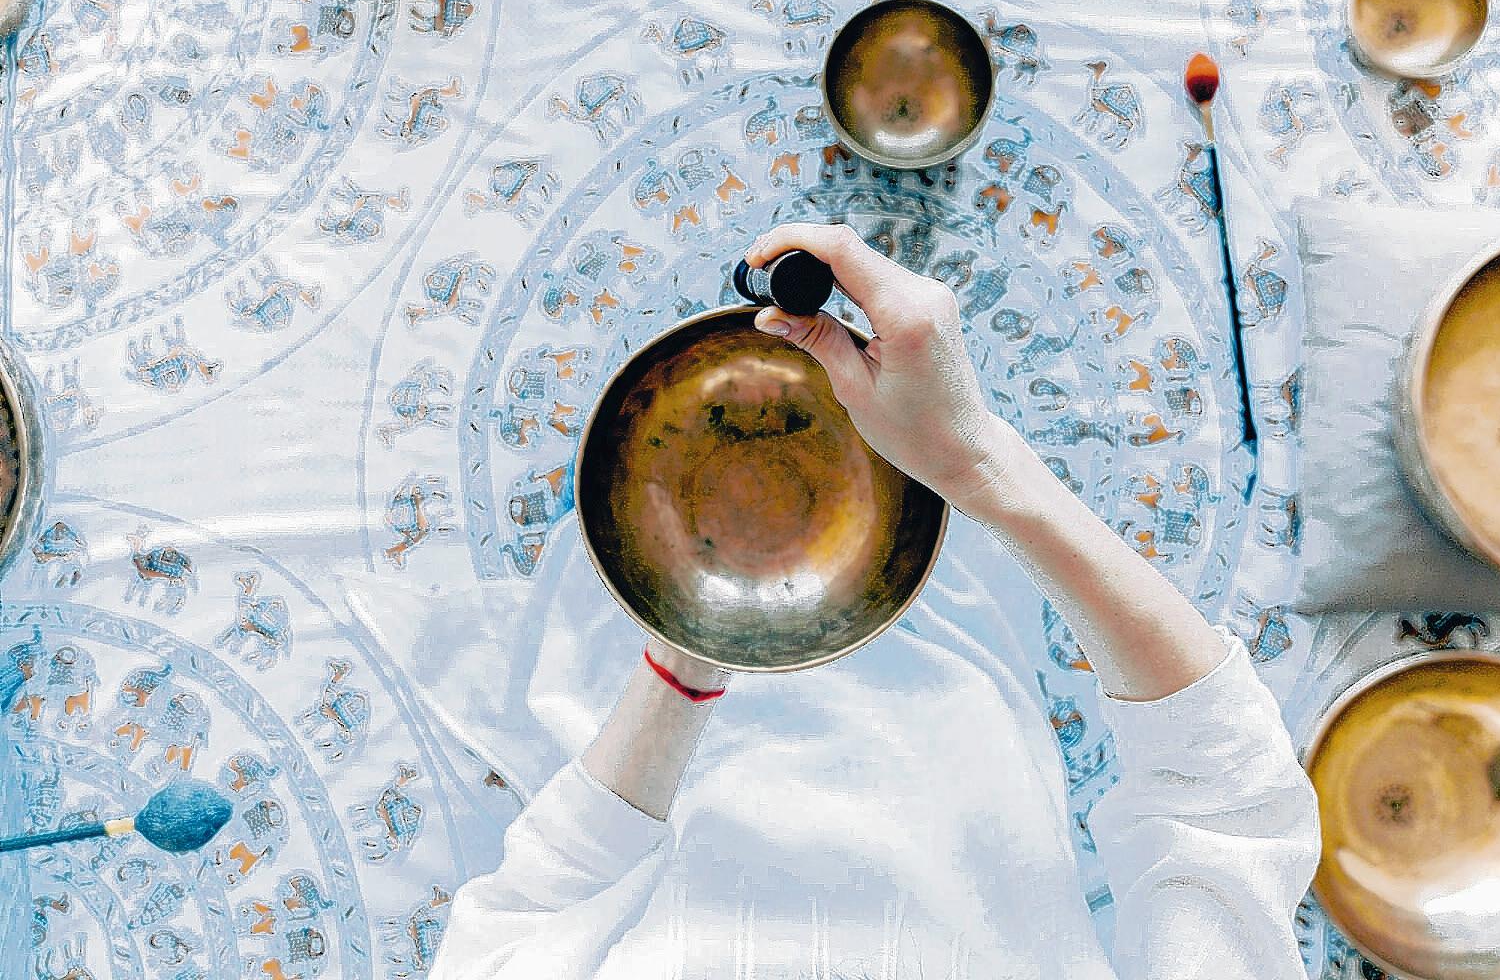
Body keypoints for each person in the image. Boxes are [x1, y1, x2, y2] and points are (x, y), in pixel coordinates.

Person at [430, 223, 1321, 979]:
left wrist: (685, 652)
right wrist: (977, 464)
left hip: (683, 715)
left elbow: (537, 908)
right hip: (946, 711)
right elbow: (1223, 802)